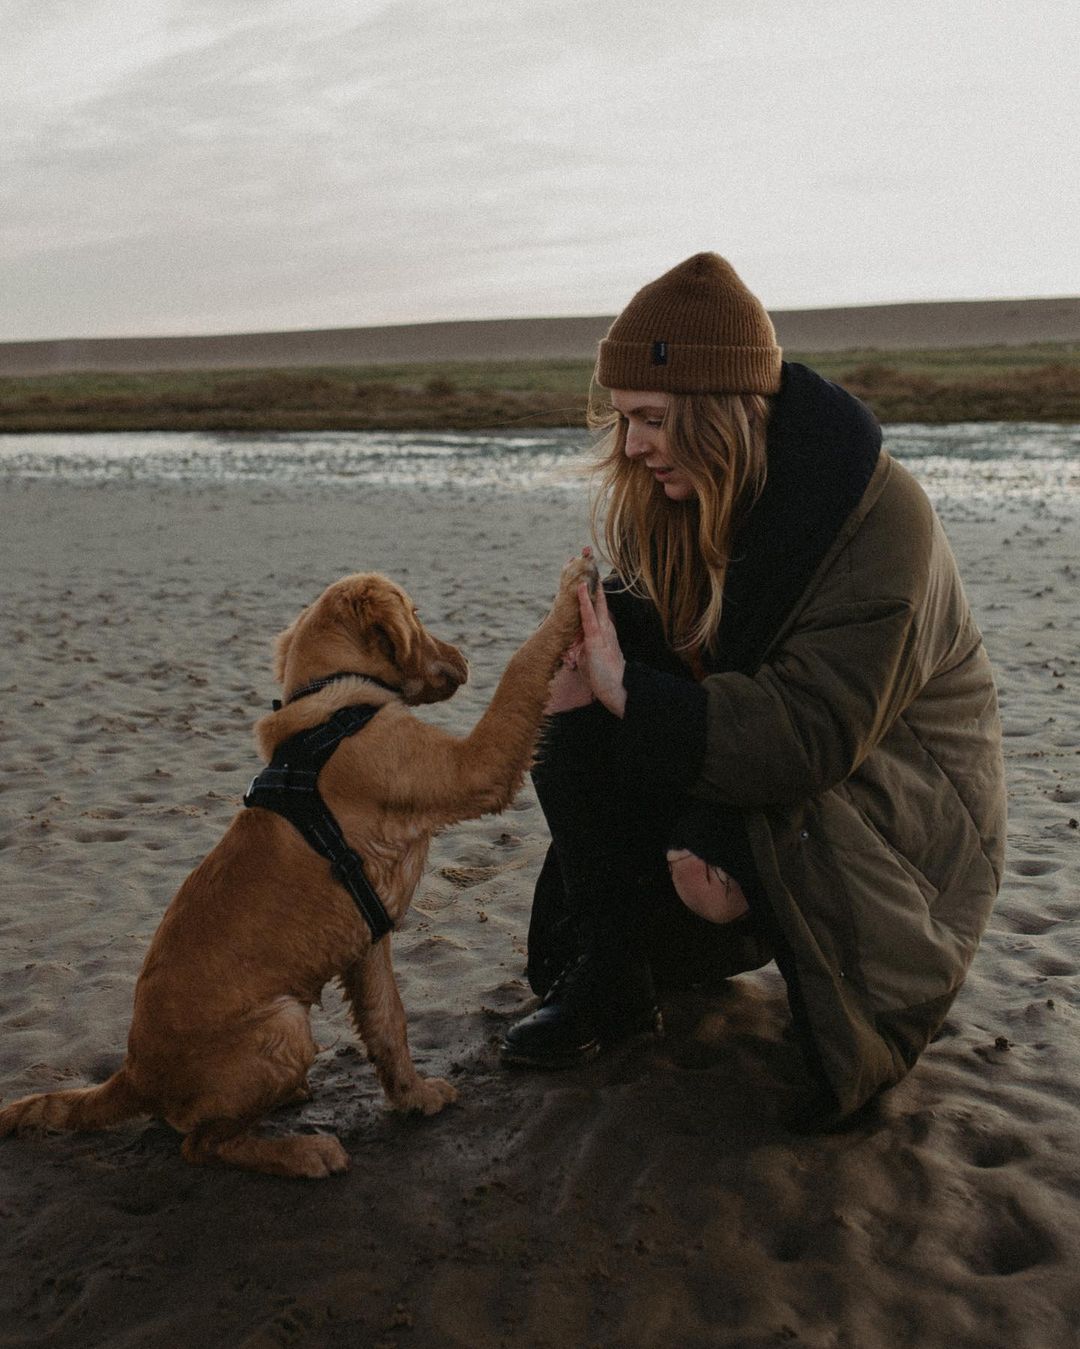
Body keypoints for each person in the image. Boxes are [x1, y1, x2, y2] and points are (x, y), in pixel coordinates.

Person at [500, 253, 1007, 1128]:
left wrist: (632, 695)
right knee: (567, 686)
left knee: (702, 867)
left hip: (898, 813)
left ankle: (813, 985)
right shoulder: (686, 495)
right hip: (780, 762)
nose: (631, 446)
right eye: (623, 419)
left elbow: (810, 731)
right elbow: (675, 667)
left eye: (653, 419)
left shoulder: (876, 519)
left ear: (721, 409)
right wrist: (591, 654)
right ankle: (615, 977)